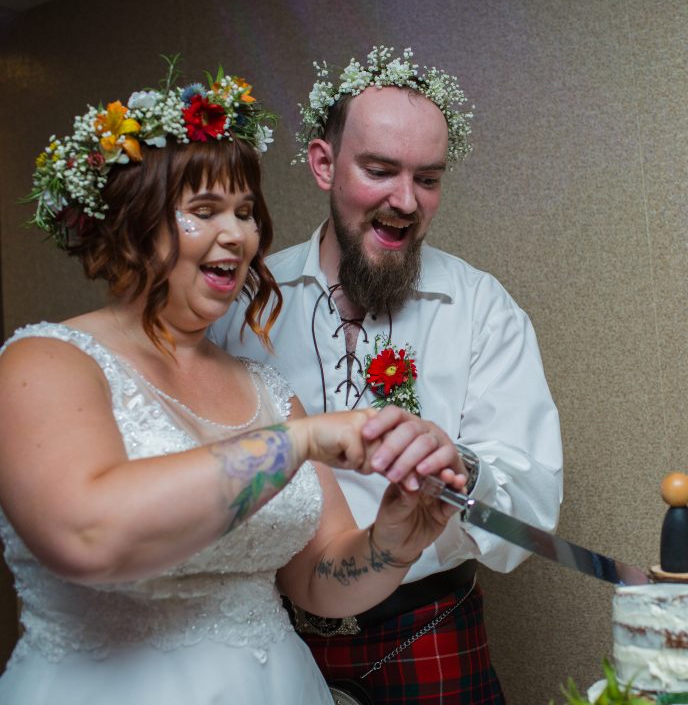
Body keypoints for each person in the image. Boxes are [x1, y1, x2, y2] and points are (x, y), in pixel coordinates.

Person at [0, 60, 467, 705]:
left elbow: (319, 581)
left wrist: (392, 541)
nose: (239, 235)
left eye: (246, 211)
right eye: (205, 210)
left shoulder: (264, 386)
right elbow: (89, 534)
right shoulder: (42, 362)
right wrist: (296, 441)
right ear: (131, 224)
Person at [209, 46, 563, 704]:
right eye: (380, 170)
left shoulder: (482, 308)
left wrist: (461, 465)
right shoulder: (242, 301)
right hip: (268, 634)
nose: (405, 200)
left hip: (426, 628)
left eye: (428, 178)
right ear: (323, 164)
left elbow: (532, 514)